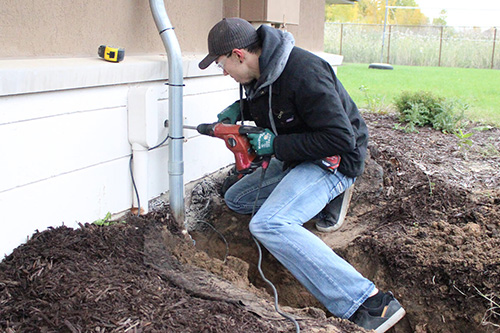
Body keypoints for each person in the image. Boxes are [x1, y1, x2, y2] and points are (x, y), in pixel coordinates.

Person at [198, 17, 406, 332]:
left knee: (269, 224)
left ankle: (370, 302)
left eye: (221, 64)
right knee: (236, 198)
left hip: (333, 160)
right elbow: (278, 107)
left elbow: (340, 138)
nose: (223, 72)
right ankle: (313, 197)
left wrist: (275, 144)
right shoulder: (260, 73)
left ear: (239, 54)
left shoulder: (304, 72)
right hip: (298, 155)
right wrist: (241, 112)